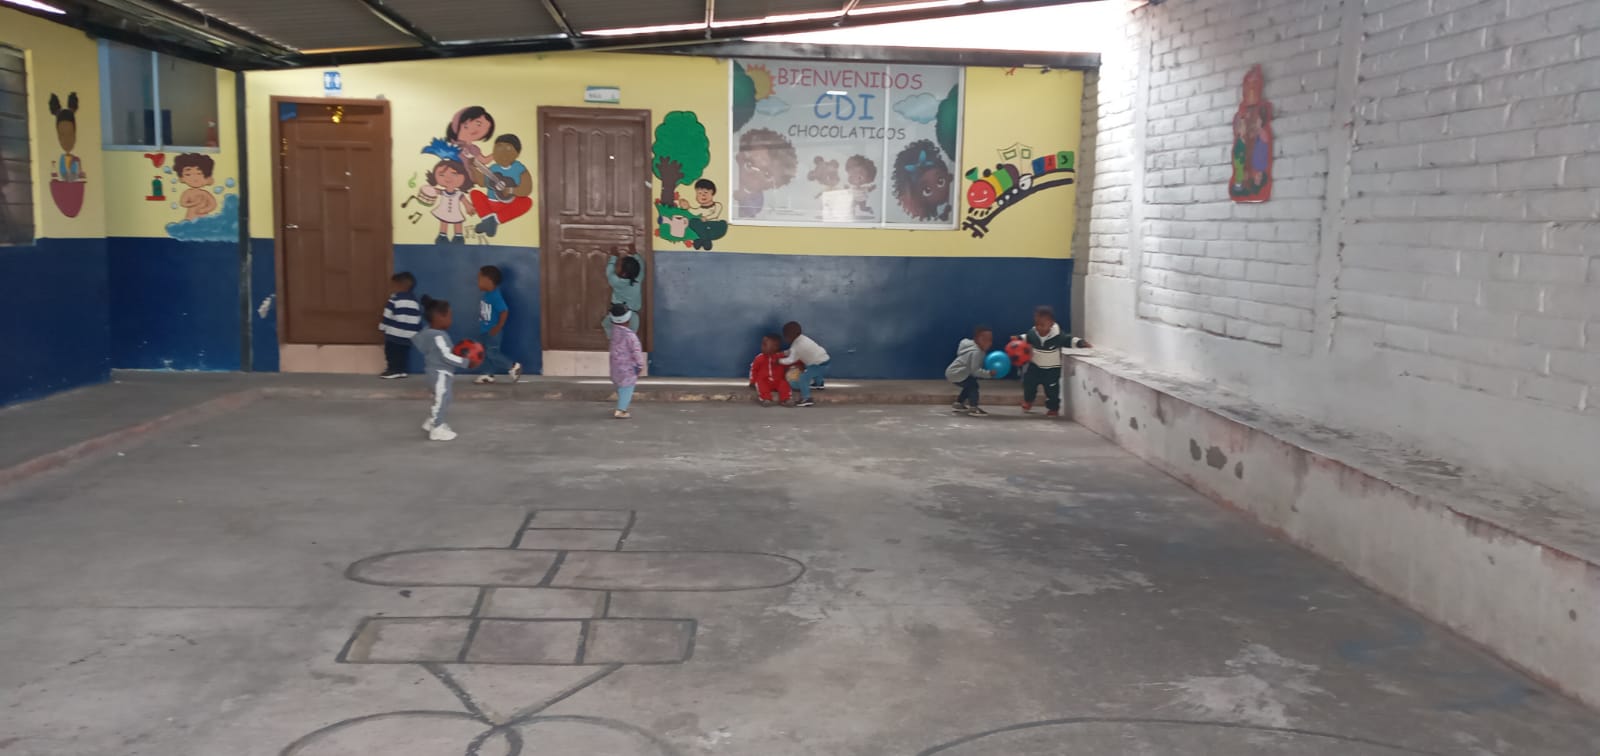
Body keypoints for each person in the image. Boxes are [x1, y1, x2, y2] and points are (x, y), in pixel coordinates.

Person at [412, 297, 476, 441]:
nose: (451, 320)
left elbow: (423, 345)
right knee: (441, 400)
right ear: (438, 317)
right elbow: (447, 356)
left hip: (434, 373)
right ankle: (437, 428)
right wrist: (467, 362)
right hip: (440, 374)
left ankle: (432, 421)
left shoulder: (428, 332)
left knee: (444, 398)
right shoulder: (439, 336)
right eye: (449, 316)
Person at [1018, 306, 1087, 417]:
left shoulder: (1058, 336)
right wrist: (1017, 339)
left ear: (1051, 324)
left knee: (1052, 389)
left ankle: (1053, 408)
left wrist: (1080, 343)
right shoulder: (1033, 333)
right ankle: (1028, 400)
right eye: (1037, 324)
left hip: (1052, 369)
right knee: (1029, 383)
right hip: (1035, 366)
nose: (1039, 327)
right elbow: (1026, 337)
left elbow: (1069, 340)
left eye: (1042, 325)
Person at [468, 134, 533, 237]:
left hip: (508, 205)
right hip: (490, 204)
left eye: (508, 149)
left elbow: (527, 189)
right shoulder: (494, 168)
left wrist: (511, 190)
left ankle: (492, 221)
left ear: (517, 152)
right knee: (474, 193)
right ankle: (489, 220)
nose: (502, 153)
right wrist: (473, 168)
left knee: (527, 202)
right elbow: (483, 182)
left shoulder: (519, 169)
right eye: (498, 148)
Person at [473, 265, 523, 384]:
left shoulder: (495, 296)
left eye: (479, 279)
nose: (477, 282)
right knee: (485, 353)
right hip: (484, 330)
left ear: (488, 280)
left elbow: (504, 311)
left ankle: (513, 366)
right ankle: (488, 374)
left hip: (493, 332)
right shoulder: (487, 294)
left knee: (492, 353)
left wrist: (498, 327)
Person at [379, 271, 422, 379]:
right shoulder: (415, 301)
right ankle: (402, 370)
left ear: (399, 285)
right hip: (409, 335)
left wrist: (382, 327)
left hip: (394, 334)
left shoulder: (394, 299)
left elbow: (387, 315)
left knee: (391, 352)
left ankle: (393, 370)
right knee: (403, 353)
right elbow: (418, 318)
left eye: (393, 285)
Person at [945, 326, 996, 416]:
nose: (988, 343)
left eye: (990, 340)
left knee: (969, 385)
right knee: (973, 386)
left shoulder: (975, 350)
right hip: (957, 373)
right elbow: (975, 371)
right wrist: (988, 374)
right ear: (976, 339)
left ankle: (959, 403)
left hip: (954, 372)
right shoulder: (977, 352)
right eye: (984, 340)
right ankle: (973, 407)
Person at [780, 321, 830, 408]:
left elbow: (791, 359)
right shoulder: (803, 338)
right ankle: (819, 384)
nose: (785, 338)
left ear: (789, 336)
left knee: (803, 378)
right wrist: (784, 353)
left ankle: (806, 399)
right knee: (813, 370)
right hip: (825, 360)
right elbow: (792, 351)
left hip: (818, 365)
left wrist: (779, 361)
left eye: (785, 336)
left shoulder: (796, 346)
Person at [608, 304, 645, 419]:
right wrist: (640, 365)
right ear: (628, 319)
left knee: (621, 386)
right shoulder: (630, 336)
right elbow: (636, 352)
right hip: (628, 369)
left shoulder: (614, 332)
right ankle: (621, 410)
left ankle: (621, 404)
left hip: (615, 367)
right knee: (627, 388)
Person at [602, 248, 644, 336]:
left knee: (611, 331)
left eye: (618, 265)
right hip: (633, 317)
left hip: (617, 315)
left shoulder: (616, 281)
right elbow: (642, 266)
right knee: (630, 339)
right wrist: (635, 254)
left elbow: (609, 271)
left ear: (624, 273)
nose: (617, 266)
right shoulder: (638, 279)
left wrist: (613, 257)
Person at [748, 333, 791, 407]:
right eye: (762, 344)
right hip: (765, 381)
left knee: (784, 384)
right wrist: (752, 381)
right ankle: (766, 399)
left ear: (775, 347)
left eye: (765, 345)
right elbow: (753, 370)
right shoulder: (759, 358)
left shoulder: (780, 357)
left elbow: (788, 364)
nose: (762, 347)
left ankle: (786, 399)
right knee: (760, 383)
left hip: (778, 380)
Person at [173, 153, 218, 220]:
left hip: (204, 218)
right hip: (190, 218)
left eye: (199, 173)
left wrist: (204, 210)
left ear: (207, 177)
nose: (194, 178)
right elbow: (183, 203)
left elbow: (213, 204)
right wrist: (194, 203)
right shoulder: (187, 193)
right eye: (188, 174)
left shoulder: (204, 193)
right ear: (181, 178)